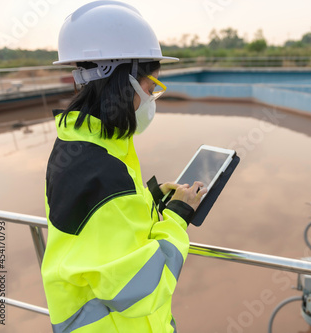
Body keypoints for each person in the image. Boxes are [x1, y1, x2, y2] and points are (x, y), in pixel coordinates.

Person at [41, 1, 206, 332]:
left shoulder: (82, 145)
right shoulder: (103, 173)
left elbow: (106, 227)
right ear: (121, 83)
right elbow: (145, 289)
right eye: (150, 88)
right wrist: (177, 217)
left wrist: (153, 197)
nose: (150, 100)